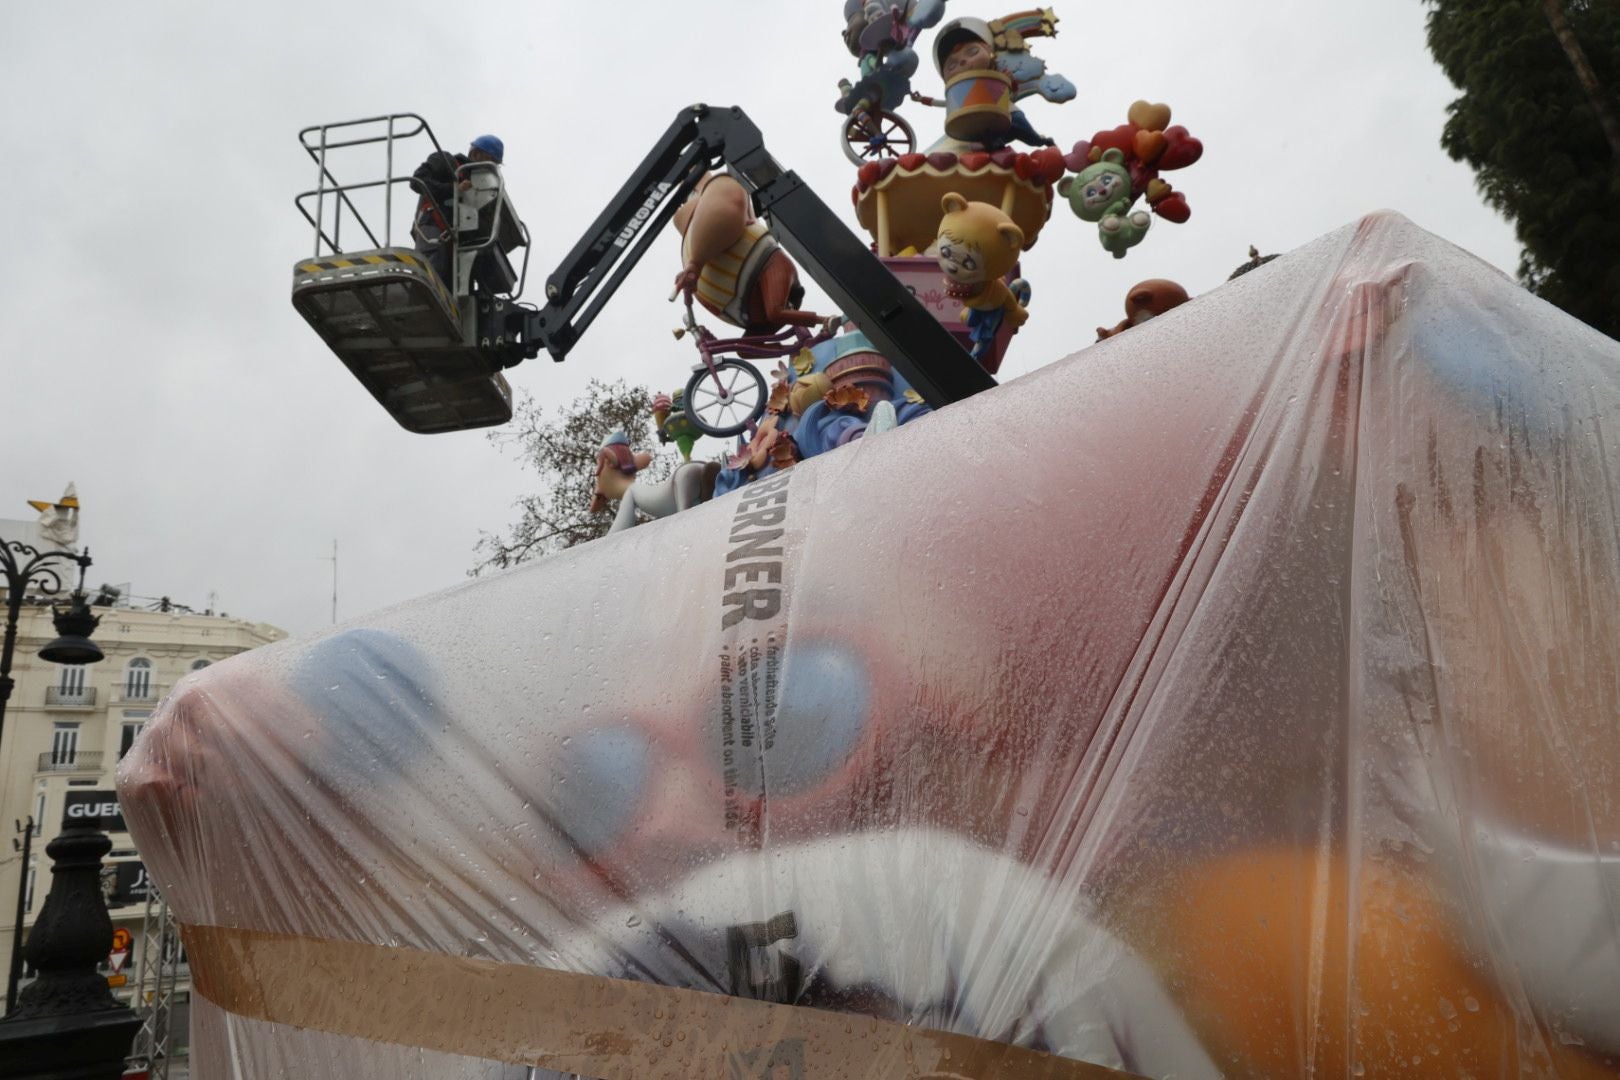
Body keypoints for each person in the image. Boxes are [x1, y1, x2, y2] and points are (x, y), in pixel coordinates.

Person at [409, 134, 505, 290]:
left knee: (449, 293)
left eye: (495, 165)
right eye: (490, 162)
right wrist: (453, 189)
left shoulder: (479, 188)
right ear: (475, 154)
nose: (492, 169)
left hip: (454, 245)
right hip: (433, 229)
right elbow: (417, 182)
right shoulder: (446, 161)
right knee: (429, 281)